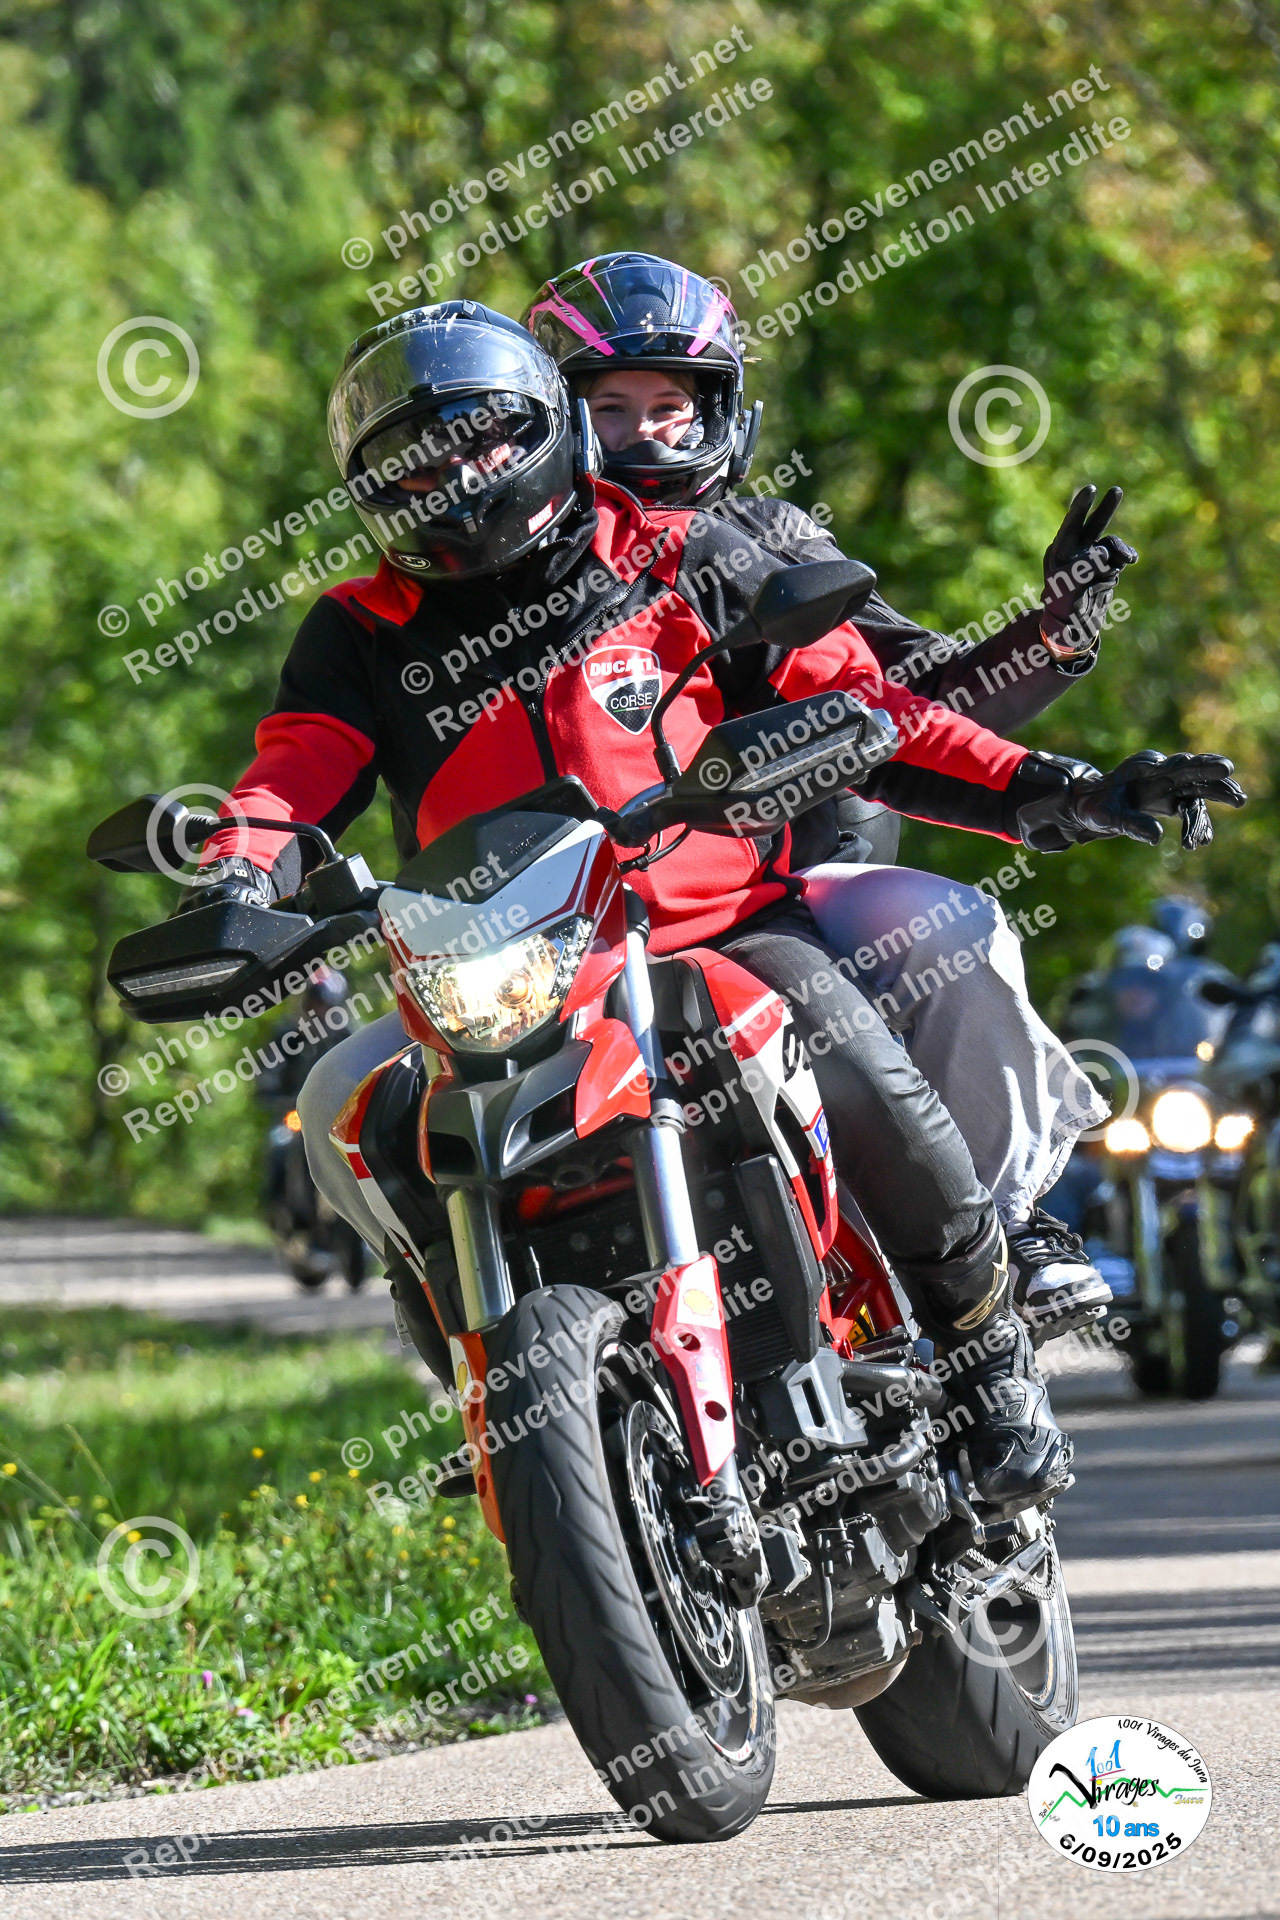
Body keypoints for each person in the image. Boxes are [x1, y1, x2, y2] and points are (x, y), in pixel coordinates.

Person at [184, 300, 1243, 1516]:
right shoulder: (358, 626)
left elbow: (876, 714)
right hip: (501, 970)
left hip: (717, 930)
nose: (455, 477)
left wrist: (1064, 789)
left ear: (542, 428)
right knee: (348, 1111)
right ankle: (503, 1412)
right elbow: (295, 767)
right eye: (416, 459)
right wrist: (237, 874)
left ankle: (982, 1350)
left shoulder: (687, 555)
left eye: (481, 440)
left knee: (856, 1066)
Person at [523, 250, 1142, 1341]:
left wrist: (1052, 637)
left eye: (668, 407)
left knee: (941, 922)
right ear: (550, 415)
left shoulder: (763, 542)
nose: (643, 436)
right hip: (563, 922)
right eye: (609, 408)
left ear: (718, 411)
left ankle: (1004, 1220)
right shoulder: (502, 566)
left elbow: (914, 703)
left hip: (788, 879)